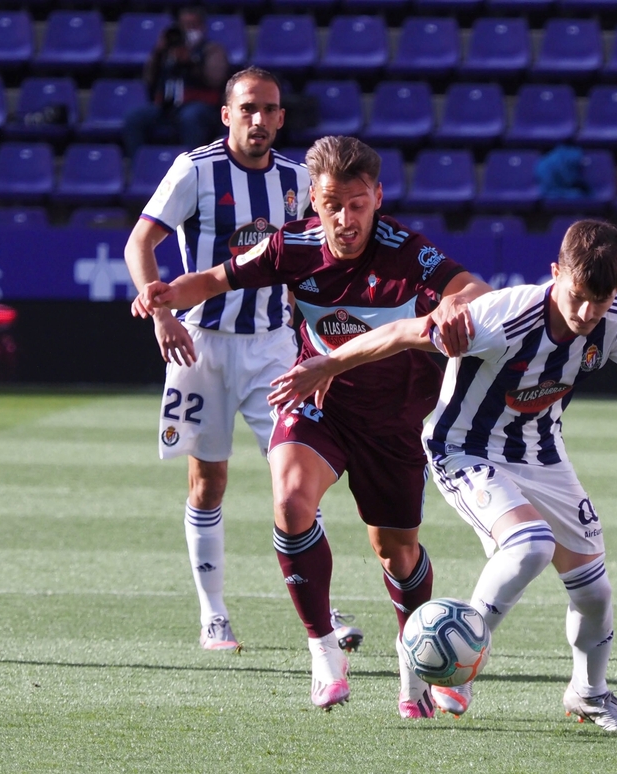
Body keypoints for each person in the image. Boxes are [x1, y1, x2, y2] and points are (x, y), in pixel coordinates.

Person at [270, 219, 617, 732]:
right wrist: (327, 364)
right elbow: (401, 333)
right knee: (529, 544)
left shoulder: (615, 318)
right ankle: (458, 664)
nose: (585, 312)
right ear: (556, 273)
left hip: (542, 454)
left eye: (598, 301)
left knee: (594, 592)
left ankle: (589, 694)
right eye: (576, 296)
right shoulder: (502, 317)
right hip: (462, 449)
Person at [136, 135, 492, 718]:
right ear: (312, 202)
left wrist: (457, 307)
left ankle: (416, 670)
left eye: (357, 204)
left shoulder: (406, 252)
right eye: (332, 205)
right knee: (291, 503)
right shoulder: (292, 245)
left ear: (377, 197)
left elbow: (470, 288)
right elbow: (215, 280)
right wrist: (164, 294)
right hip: (317, 400)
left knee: (395, 550)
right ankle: (324, 649)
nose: (345, 219)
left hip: (394, 417)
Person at [125, 68, 361, 656]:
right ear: (227, 114)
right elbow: (140, 243)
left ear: (283, 118)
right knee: (208, 481)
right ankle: (214, 616)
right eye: (249, 109)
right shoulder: (195, 170)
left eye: (271, 110)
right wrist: (162, 315)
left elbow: (324, 258)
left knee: (297, 478)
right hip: (199, 345)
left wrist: (323, 342)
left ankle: (322, 611)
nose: (260, 120)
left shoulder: (299, 180)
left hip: (272, 349)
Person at [123, 7, 229, 161]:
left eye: (193, 25)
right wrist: (158, 53)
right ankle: (138, 168)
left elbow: (215, 79)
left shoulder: (212, 50)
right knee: (134, 117)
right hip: (168, 107)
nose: (188, 30)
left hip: (201, 107)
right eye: (184, 25)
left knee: (190, 117)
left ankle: (195, 168)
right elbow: (148, 80)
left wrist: (191, 63)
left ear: (202, 27)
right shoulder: (168, 51)